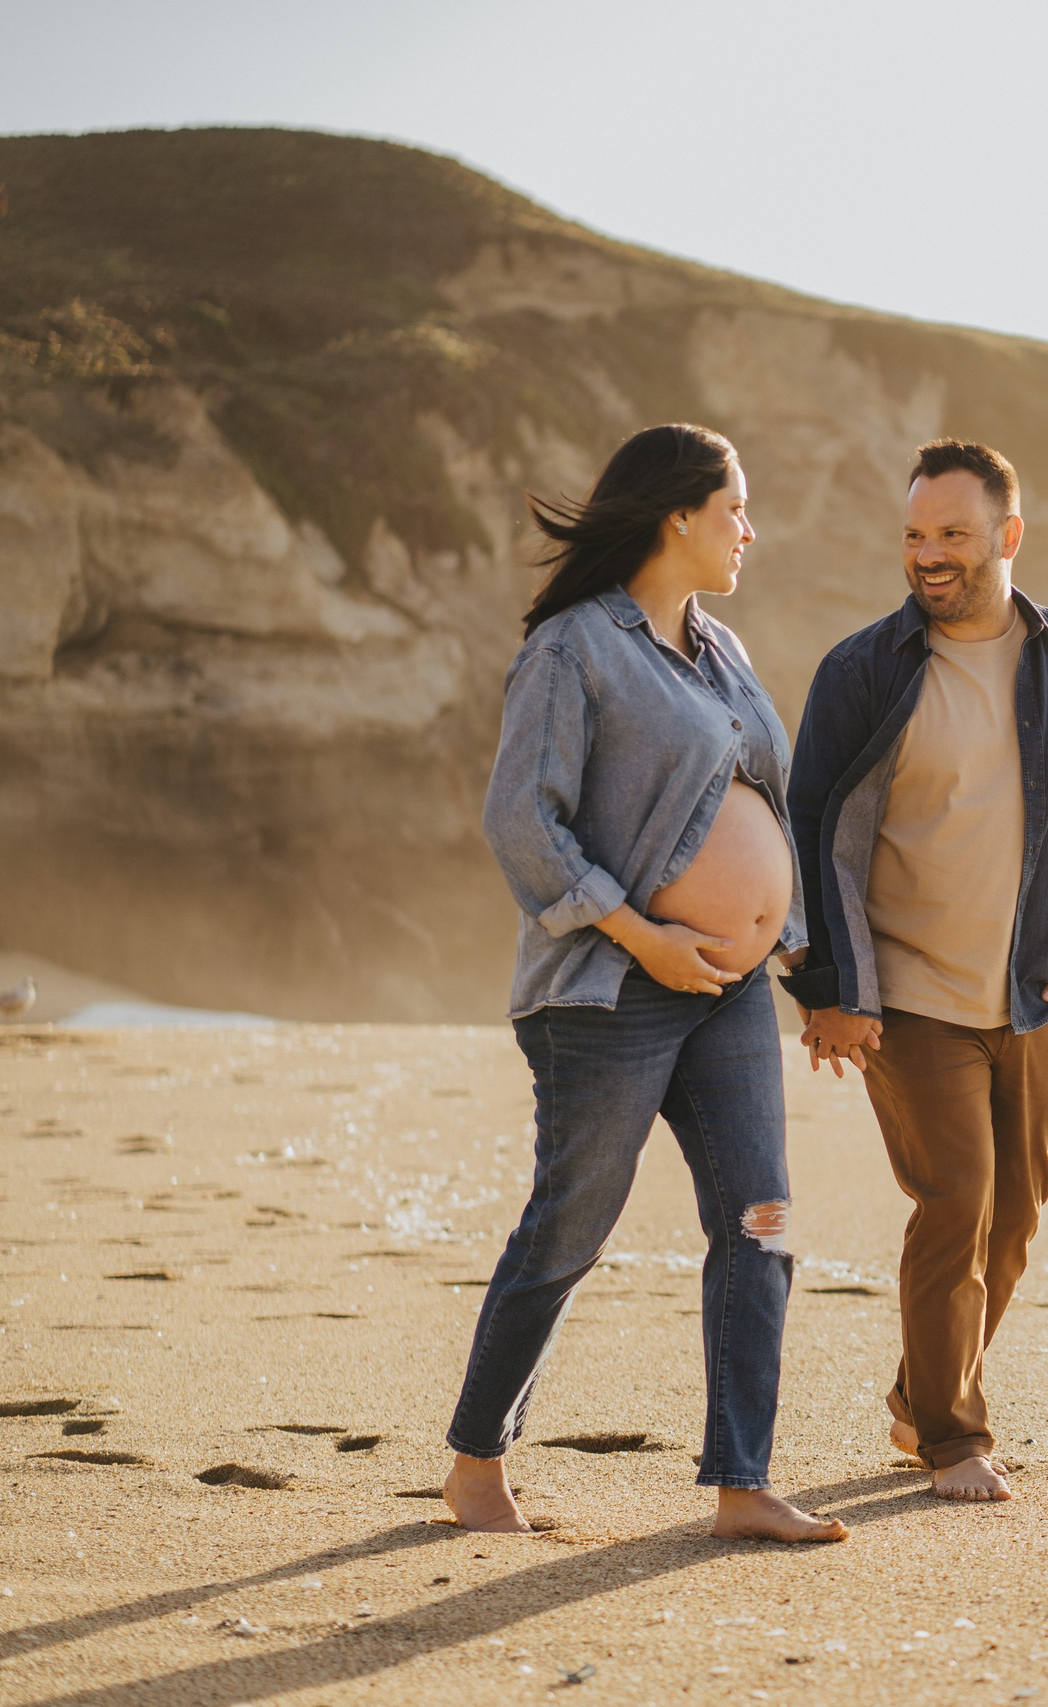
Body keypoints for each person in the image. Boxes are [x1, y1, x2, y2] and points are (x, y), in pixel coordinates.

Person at [441, 423, 844, 1542]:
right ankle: (478, 1461)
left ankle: (742, 1482)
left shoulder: (724, 653)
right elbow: (522, 821)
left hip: (729, 995)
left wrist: (800, 965)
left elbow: (768, 819)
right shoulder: (574, 649)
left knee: (758, 1219)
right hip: (608, 994)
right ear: (678, 515)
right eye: (734, 510)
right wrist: (643, 936)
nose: (747, 532)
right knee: (571, 1225)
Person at [783, 438, 1048, 1502]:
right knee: (958, 1201)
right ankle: (951, 1437)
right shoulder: (861, 670)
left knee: (1017, 1219)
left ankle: (917, 1395)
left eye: (950, 534)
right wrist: (827, 992)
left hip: (1032, 992)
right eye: (912, 535)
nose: (928, 555)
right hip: (901, 994)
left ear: (1008, 536)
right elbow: (808, 837)